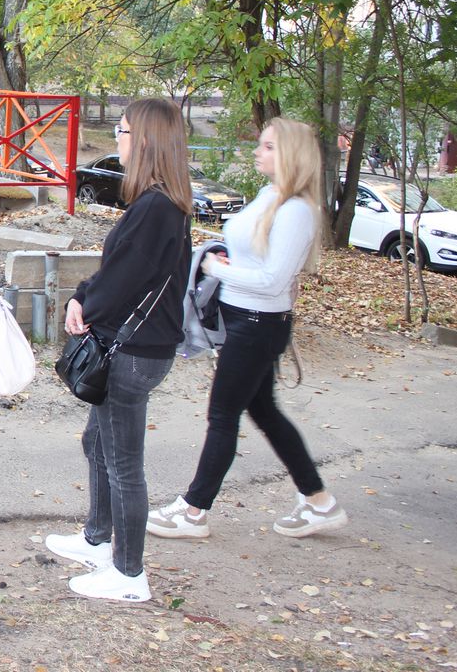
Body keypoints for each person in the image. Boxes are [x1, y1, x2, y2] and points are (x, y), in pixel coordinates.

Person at [147, 118, 348, 541]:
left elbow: (274, 280)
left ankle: (194, 510)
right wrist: (224, 262)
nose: (258, 151)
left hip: (258, 323)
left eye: (268, 146)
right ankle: (319, 502)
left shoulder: (296, 211)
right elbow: (258, 262)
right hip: (245, 320)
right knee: (265, 412)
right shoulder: (268, 197)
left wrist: (216, 268)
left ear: (290, 154)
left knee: (223, 415)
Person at [45, 98, 192, 603]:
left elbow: (124, 281)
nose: (117, 139)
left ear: (146, 141)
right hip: (138, 348)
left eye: (124, 131)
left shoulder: (156, 207)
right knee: (98, 444)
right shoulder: (159, 203)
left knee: (123, 462)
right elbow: (120, 272)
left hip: (133, 352)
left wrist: (85, 306)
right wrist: (85, 293)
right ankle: (98, 540)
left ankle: (129, 574)